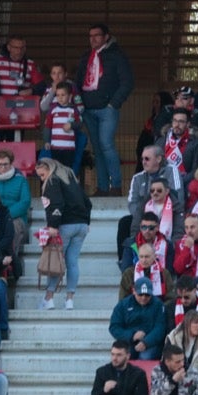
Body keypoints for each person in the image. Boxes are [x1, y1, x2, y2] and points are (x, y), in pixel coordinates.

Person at [73, 23, 134, 195]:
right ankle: (102, 187)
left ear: (106, 37)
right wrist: (79, 104)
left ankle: (115, 186)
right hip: (88, 109)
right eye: (90, 36)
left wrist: (113, 103)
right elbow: (77, 83)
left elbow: (127, 82)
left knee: (106, 145)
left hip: (107, 109)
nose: (93, 39)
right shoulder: (86, 57)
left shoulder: (117, 56)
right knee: (97, 148)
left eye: (97, 35)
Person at [37, 156, 92, 311]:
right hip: (81, 225)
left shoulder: (53, 181)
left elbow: (56, 204)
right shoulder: (71, 179)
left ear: (49, 168)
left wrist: (53, 225)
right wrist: (86, 222)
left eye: (42, 175)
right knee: (72, 262)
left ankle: (49, 299)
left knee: (55, 262)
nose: (42, 179)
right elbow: (88, 202)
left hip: (64, 225)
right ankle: (69, 301)